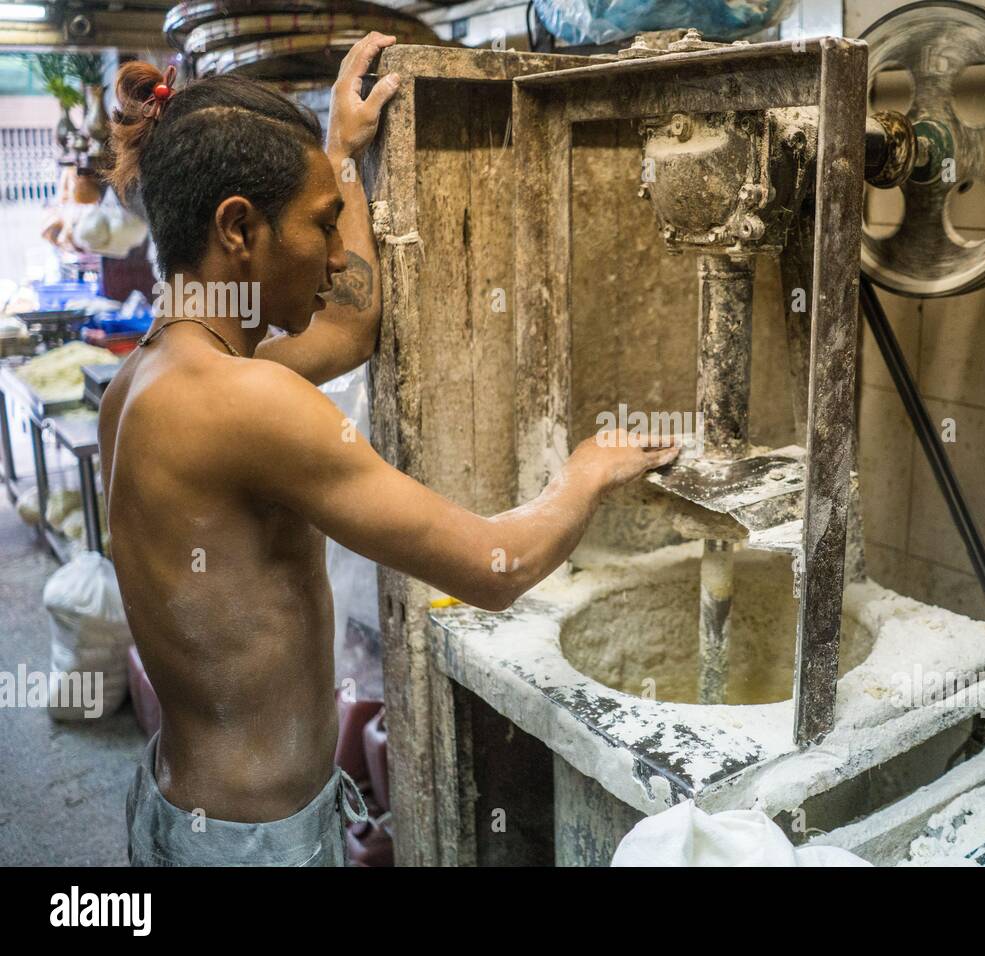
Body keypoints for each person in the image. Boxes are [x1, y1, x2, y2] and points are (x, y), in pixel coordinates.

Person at [100, 34, 677, 867]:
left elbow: (347, 326)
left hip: (181, 808)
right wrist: (587, 472)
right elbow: (494, 567)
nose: (336, 258)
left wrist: (339, 158)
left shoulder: (153, 379)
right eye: (320, 227)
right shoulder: (247, 401)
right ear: (238, 227)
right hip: (255, 848)